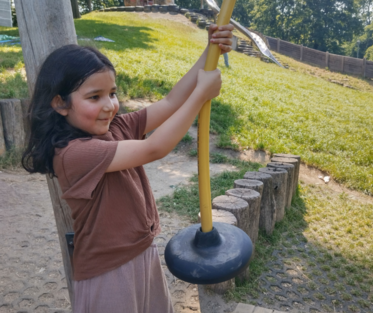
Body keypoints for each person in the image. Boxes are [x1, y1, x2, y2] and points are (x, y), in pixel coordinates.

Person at [22, 23, 234, 313]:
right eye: (94, 97)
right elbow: (154, 148)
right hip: (107, 273)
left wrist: (209, 52)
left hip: (142, 254)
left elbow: (171, 101)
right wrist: (201, 95)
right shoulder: (73, 154)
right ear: (60, 104)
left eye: (112, 93)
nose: (109, 105)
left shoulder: (117, 127)